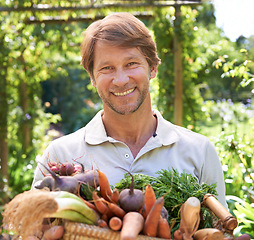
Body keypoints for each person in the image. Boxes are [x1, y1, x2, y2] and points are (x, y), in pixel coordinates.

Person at [32, 12, 227, 239]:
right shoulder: (60, 155)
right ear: (92, 78)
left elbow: (220, 230)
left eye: (131, 63)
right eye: (107, 68)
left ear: (152, 68)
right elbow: (32, 230)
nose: (121, 79)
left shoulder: (199, 151)